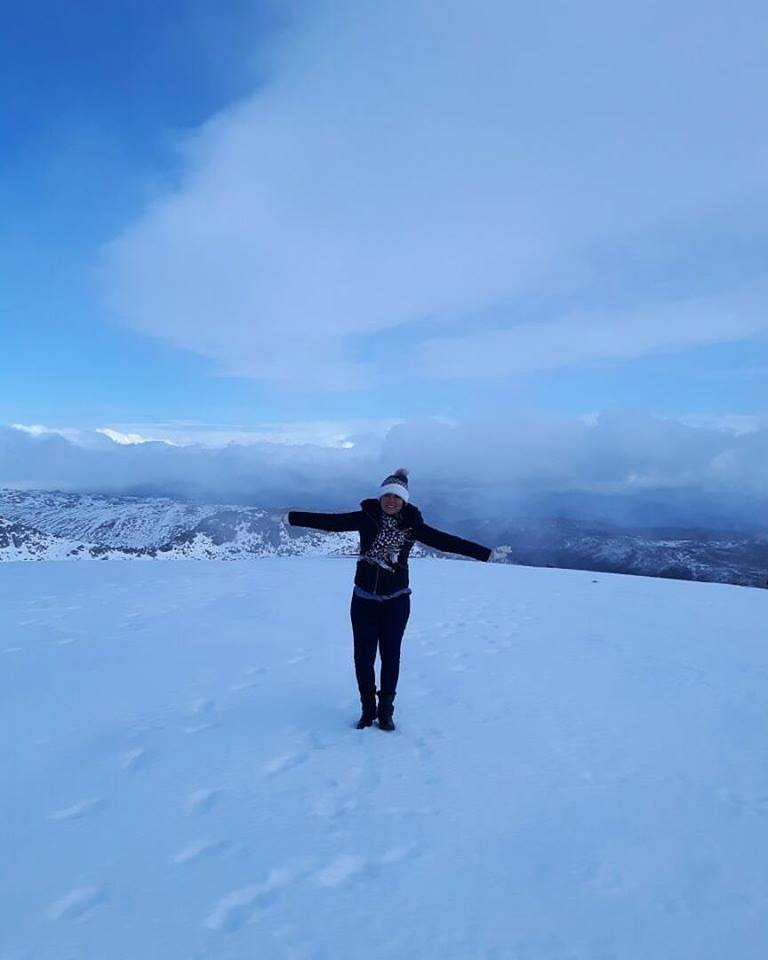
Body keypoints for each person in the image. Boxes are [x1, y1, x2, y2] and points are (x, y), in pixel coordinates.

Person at [287, 469, 493, 731]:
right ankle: (367, 710)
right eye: (387, 496)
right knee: (363, 658)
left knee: (390, 656)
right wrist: (292, 517)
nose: (391, 501)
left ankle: (386, 711)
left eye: (397, 497)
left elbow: (445, 542)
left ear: (404, 501)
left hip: (396, 602)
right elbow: (331, 523)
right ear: (381, 497)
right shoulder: (366, 518)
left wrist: (483, 553)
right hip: (363, 600)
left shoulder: (413, 526)